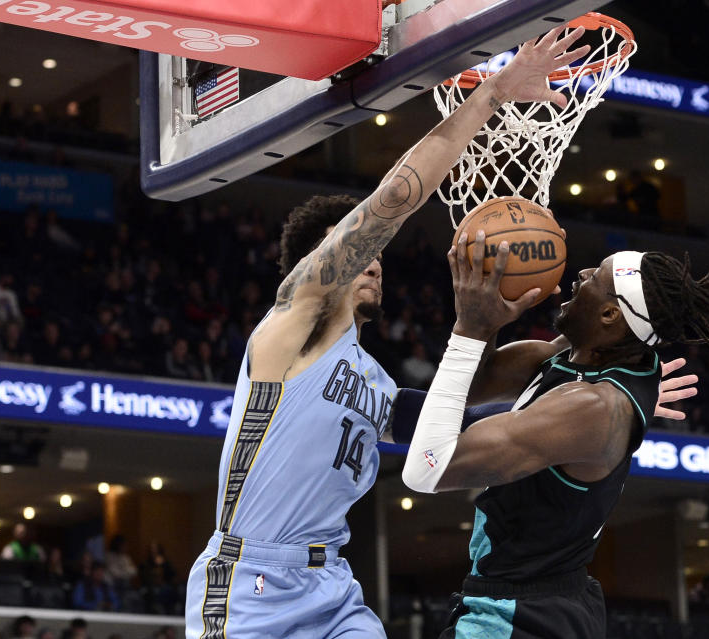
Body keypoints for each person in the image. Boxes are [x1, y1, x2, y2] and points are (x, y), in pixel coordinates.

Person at [183, 26, 601, 639]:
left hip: (332, 585)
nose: (370, 260)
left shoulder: (372, 380)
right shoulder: (290, 329)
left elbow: (454, 417)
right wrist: (489, 95)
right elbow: (392, 202)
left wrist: (595, 364)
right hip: (251, 582)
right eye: (352, 250)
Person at [402, 240, 709, 638]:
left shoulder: (594, 408)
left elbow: (429, 468)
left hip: (523, 615)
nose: (581, 275)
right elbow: (461, 391)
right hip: (536, 601)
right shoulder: (577, 357)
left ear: (610, 314)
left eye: (595, 276)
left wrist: (471, 326)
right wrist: (489, 320)